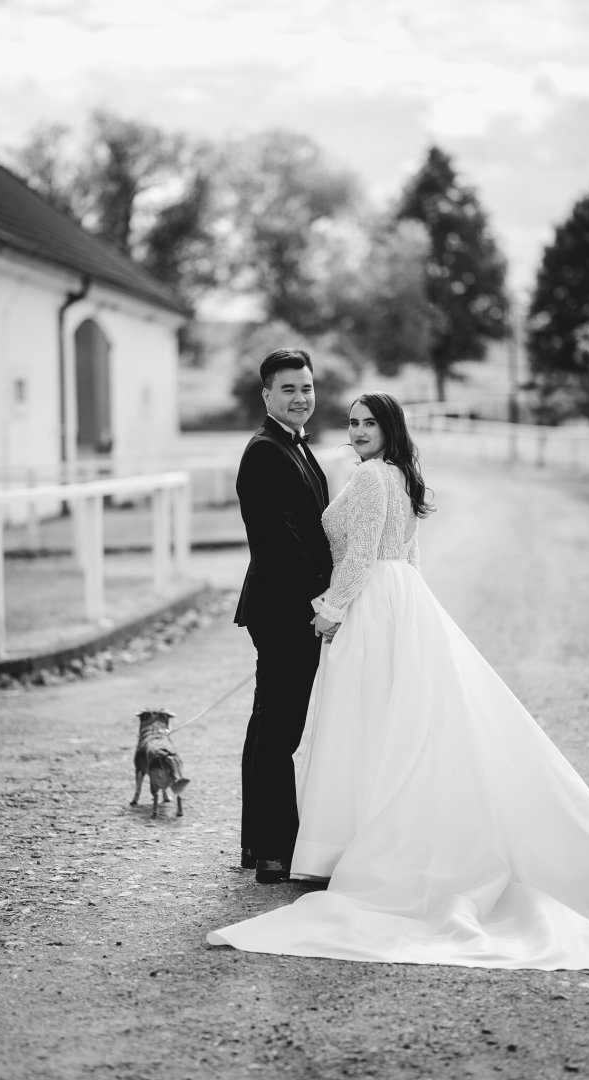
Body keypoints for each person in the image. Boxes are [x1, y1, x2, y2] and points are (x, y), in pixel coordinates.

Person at [209, 392, 589, 968]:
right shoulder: (399, 474)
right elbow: (410, 557)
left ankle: (350, 845)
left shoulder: (372, 478)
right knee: (396, 720)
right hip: (401, 598)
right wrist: (411, 609)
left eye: (370, 423)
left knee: (364, 721)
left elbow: (360, 554)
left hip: (371, 604)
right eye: (354, 422)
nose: (359, 431)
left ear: (390, 428)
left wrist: (332, 610)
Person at [234, 348, 333, 884]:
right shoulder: (264, 453)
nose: (300, 398)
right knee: (279, 729)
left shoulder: (293, 445)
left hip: (288, 605)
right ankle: (275, 852)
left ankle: (259, 844)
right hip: (283, 609)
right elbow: (279, 542)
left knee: (268, 723)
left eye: (307, 388)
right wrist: (323, 600)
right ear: (267, 395)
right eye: (289, 389)